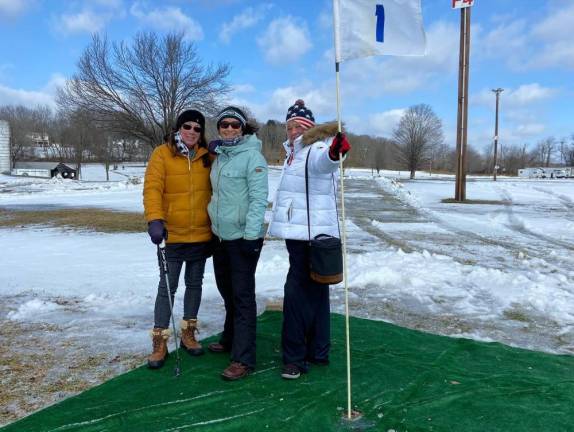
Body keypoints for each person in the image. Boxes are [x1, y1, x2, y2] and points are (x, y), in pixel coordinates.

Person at [268, 100, 351, 379]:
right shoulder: (293, 153)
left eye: (299, 127)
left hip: (309, 236)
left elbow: (325, 161)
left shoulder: (313, 149)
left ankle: (294, 358)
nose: (293, 131)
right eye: (290, 126)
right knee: (316, 292)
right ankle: (318, 350)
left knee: (296, 294)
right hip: (305, 234)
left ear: (309, 129)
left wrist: (334, 152)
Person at [143, 109, 213, 369]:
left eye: (197, 128)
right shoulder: (162, 153)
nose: (192, 131)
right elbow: (152, 188)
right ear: (177, 128)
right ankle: (160, 339)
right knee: (167, 287)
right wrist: (155, 219)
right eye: (187, 126)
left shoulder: (208, 156)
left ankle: (188, 332)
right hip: (172, 234)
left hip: (202, 233)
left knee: (194, 284)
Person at [207, 106, 268, 380]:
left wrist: (251, 237)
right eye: (224, 125)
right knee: (226, 291)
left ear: (243, 129)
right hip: (220, 237)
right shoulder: (220, 156)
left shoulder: (252, 157)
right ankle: (230, 338)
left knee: (243, 299)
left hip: (243, 239)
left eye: (234, 125)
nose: (229, 129)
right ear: (219, 128)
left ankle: (243, 359)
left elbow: (258, 200)